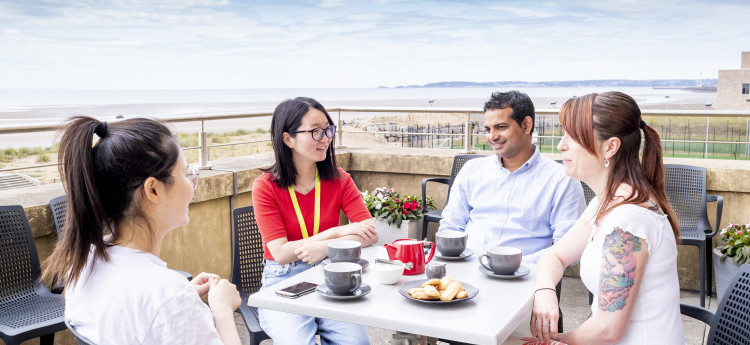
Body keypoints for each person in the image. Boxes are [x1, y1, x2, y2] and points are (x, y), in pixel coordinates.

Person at [43, 116, 242, 344]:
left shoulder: (83, 264)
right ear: (153, 190)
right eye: (186, 175)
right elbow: (155, 302)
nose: (192, 185)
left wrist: (180, 299)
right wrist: (222, 311)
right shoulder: (166, 294)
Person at [531, 92, 684, 344]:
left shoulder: (629, 219)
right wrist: (545, 290)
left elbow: (606, 331)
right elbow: (555, 255)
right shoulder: (607, 202)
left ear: (610, 147)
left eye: (573, 136)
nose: (561, 145)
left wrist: (553, 340)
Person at [252, 97, 378, 345]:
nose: (326, 138)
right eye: (315, 131)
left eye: (328, 129)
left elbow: (370, 233)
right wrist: (336, 233)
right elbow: (280, 253)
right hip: (284, 278)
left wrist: (324, 248)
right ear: (288, 139)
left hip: (331, 272)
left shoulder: (340, 178)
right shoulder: (265, 186)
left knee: (356, 343)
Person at [438, 90, 586, 263]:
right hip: (467, 271)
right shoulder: (472, 170)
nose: (492, 136)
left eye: (501, 127)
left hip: (525, 277)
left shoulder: (561, 179)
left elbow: (568, 249)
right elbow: (450, 226)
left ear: (526, 125)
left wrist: (512, 264)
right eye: (487, 129)